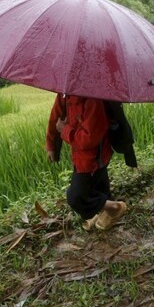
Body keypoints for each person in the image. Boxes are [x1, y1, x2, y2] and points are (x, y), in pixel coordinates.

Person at [46, 93, 128, 230]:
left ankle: (115, 207)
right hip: (79, 154)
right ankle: (104, 211)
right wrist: (51, 145)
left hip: (94, 156)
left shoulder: (94, 101)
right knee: (99, 184)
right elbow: (55, 116)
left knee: (76, 197)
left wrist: (64, 130)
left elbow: (88, 140)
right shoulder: (65, 93)